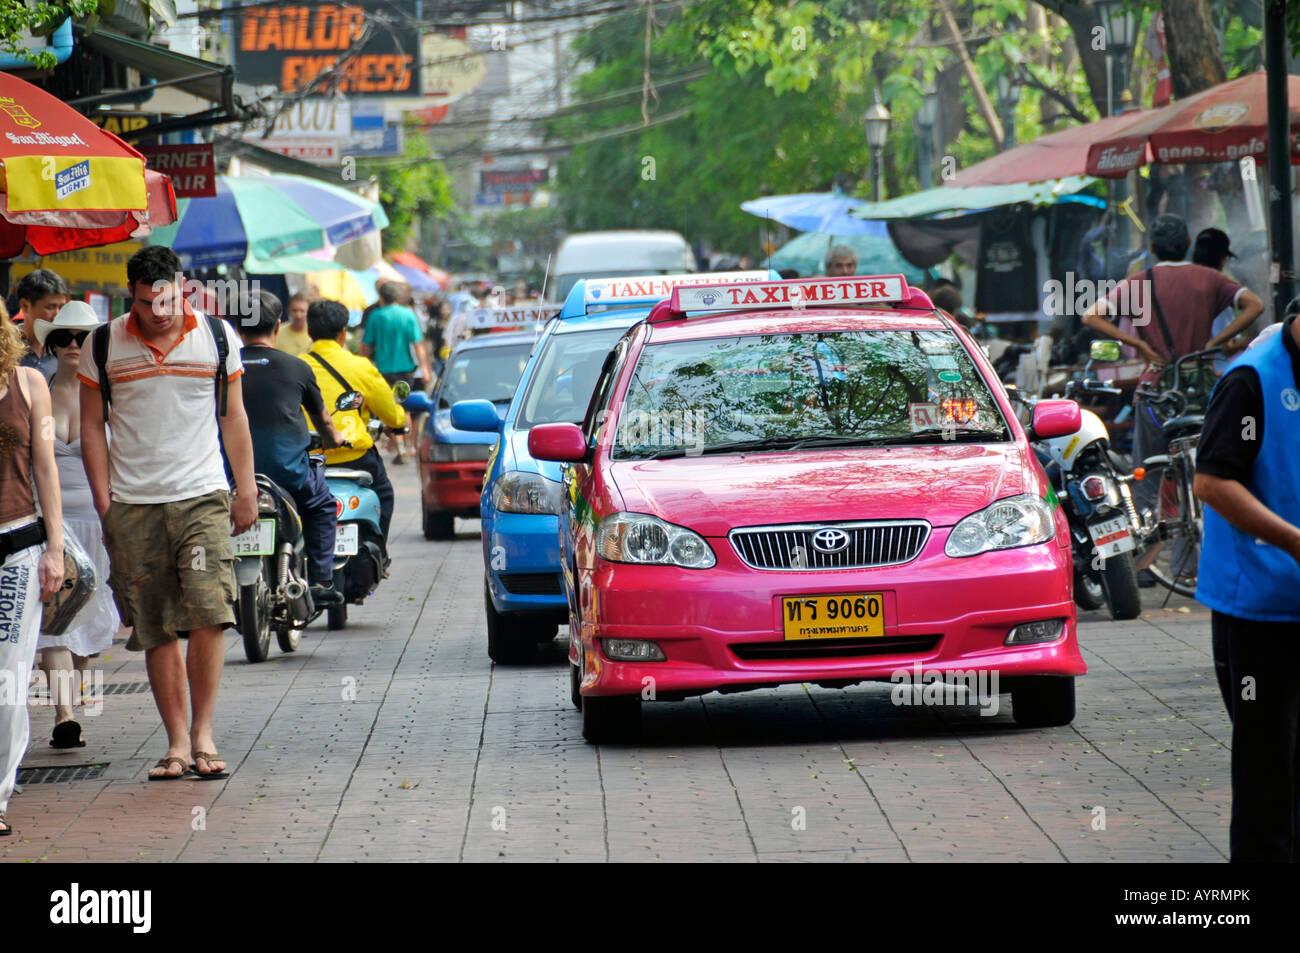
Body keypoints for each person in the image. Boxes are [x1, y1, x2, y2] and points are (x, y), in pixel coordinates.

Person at [78, 246, 257, 781]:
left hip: (202, 494)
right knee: (154, 624)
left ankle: (203, 733)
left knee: (208, 612)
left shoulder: (218, 337)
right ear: (129, 294)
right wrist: (105, 504)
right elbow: (92, 427)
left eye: (166, 300)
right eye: (145, 302)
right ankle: (176, 742)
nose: (157, 312)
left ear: (183, 289)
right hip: (133, 503)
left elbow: (235, 418)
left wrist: (244, 488)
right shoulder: (103, 342)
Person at [1081, 214, 1264, 558]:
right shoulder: (1210, 278)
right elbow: (1256, 304)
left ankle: (1144, 559)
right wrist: (1216, 340)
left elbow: (1090, 315)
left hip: (1156, 391)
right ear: (1187, 245)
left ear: (1151, 248)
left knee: (1148, 473)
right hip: (1203, 389)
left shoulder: (1138, 283)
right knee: (1205, 469)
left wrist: (1138, 345)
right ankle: (1194, 553)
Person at [1193, 303, 1300, 862]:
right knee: (1267, 763)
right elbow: (1211, 482)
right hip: (1260, 608)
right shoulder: (1251, 379)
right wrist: (1293, 541)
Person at [34, 302, 119, 750]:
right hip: (49, 525)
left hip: (98, 522)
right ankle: (65, 715)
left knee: (92, 622)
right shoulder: (36, 391)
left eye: (81, 338)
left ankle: (69, 697)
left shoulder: (110, 395)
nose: (71, 345)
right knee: (55, 619)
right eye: (63, 337)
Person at [233, 290, 347, 605]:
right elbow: (322, 419)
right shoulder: (296, 367)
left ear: (238, 329)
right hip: (287, 474)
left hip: (228, 475)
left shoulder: (222, 368)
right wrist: (334, 438)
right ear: (278, 325)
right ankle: (322, 581)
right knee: (322, 506)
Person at [0, 313, 65, 837]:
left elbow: (45, 464)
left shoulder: (29, 383)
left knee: (9, 676)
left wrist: (56, 548)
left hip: (19, 542)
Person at [303, 300, 405, 552]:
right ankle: (377, 552)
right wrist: (400, 420)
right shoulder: (360, 366)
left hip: (307, 460)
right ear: (342, 333)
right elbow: (392, 416)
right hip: (355, 458)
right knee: (384, 495)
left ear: (309, 331)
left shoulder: (296, 365)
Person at [360, 281, 429, 464]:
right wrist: (426, 368)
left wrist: (362, 365)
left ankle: (400, 447)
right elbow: (418, 344)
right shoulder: (408, 314)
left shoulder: (376, 316)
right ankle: (407, 445)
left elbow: (366, 345)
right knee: (404, 407)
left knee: (391, 407)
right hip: (406, 369)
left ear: (381, 297)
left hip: (383, 371)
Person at [1193, 228, 1241, 375]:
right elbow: (1226, 346)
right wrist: (1257, 339)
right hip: (1221, 372)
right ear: (1221, 258)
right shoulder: (1216, 289)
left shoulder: (1192, 284)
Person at [12, 269, 70, 379]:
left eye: (61, 307)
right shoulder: (6, 347)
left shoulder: (68, 349)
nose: (57, 315)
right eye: (50, 307)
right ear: (25, 306)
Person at [274, 293, 313, 357]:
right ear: (288, 310)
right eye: (294, 311)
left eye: (302, 311)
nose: (298, 316)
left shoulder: (315, 334)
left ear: (309, 312)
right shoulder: (277, 332)